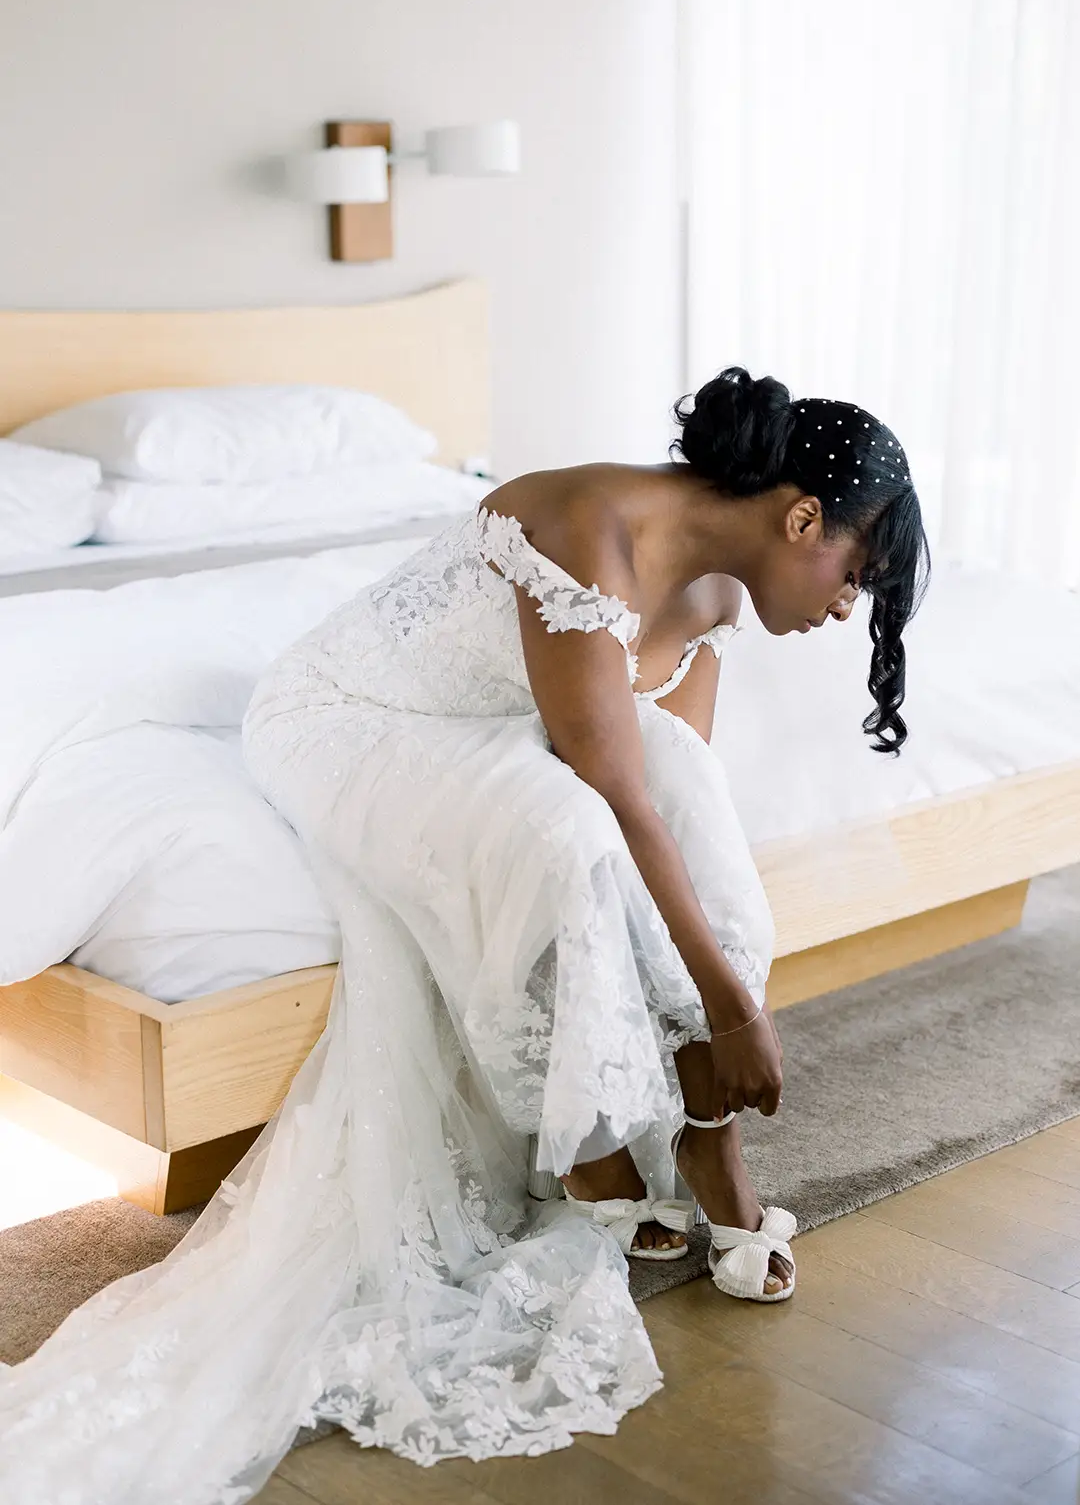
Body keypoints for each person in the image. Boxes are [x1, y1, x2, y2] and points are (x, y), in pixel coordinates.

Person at [0, 367, 929, 1503]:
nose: (847, 608)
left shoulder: (721, 598)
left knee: (698, 808)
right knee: (564, 835)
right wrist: (733, 1008)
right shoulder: (585, 524)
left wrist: (719, 1009)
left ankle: (707, 1143)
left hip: (500, 726)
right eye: (855, 575)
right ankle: (595, 1161)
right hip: (354, 719)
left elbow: (673, 795)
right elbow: (612, 798)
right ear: (800, 520)